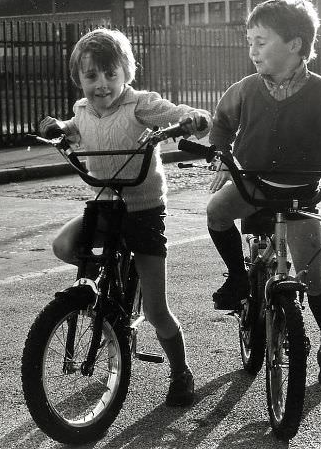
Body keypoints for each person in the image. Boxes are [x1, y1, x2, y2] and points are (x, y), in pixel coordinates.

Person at [205, 0, 321, 386]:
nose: (252, 50)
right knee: (216, 212)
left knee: (313, 274)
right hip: (251, 181)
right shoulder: (245, 89)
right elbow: (221, 125)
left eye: (261, 41)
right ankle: (237, 277)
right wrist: (219, 153)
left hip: (301, 191)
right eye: (249, 40)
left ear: (295, 45)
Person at [39, 28, 211, 407]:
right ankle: (109, 294)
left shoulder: (139, 105)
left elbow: (171, 112)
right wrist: (56, 129)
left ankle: (181, 372)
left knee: (155, 309)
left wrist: (192, 118)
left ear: (126, 73)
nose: (101, 85)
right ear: (79, 79)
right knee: (64, 244)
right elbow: (71, 129)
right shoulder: (82, 112)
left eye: (110, 75)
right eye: (91, 77)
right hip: (104, 206)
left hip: (143, 210)